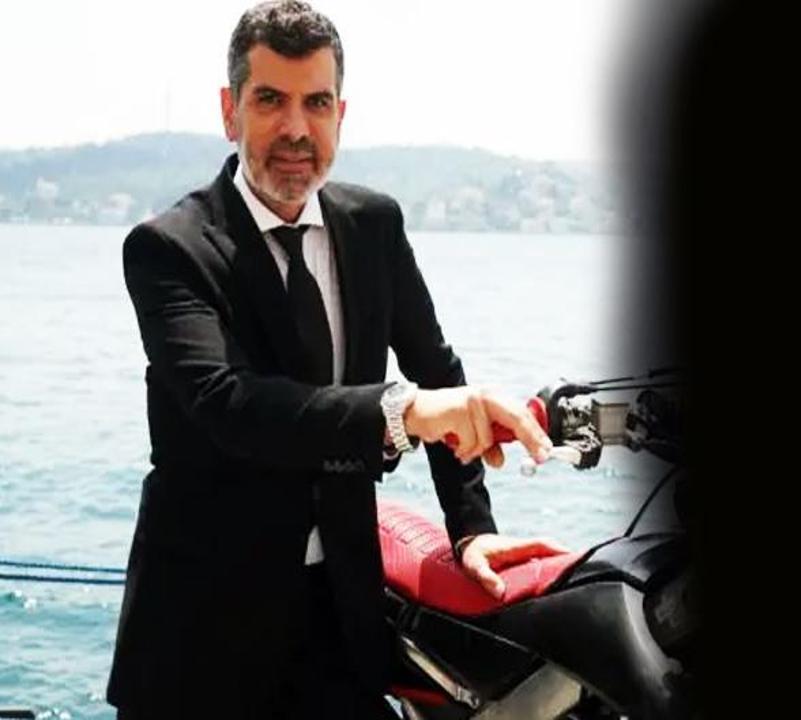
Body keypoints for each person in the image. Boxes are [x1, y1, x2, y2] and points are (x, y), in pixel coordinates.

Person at [106, 2, 566, 717]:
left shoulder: (373, 226)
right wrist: (405, 412)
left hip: (342, 626)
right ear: (230, 112)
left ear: (341, 115)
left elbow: (439, 372)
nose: (297, 129)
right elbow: (232, 405)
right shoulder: (169, 249)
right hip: (200, 641)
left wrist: (472, 529)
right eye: (271, 100)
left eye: (317, 103)